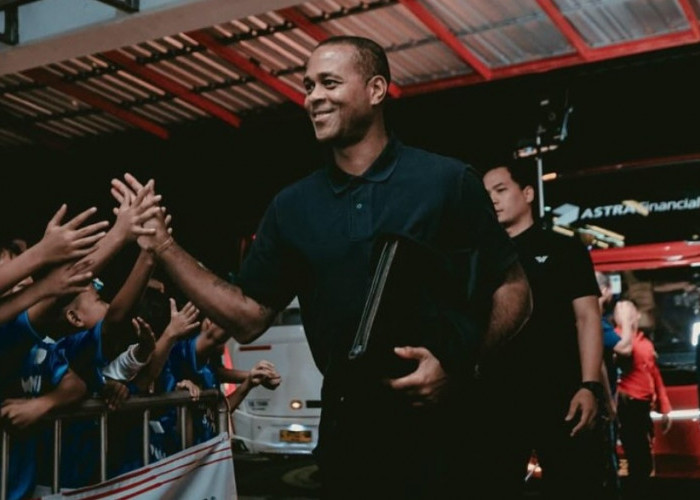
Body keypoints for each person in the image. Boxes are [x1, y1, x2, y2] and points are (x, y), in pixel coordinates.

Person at [111, 35, 532, 499]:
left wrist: (460, 363)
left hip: (452, 435)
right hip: (351, 436)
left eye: (329, 83)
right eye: (308, 86)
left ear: (375, 90)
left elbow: (515, 289)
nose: (313, 97)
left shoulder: (446, 182)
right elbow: (248, 317)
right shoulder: (293, 207)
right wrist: (164, 247)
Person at [481, 163, 607, 500]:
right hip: (498, 397)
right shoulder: (482, 257)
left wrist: (589, 386)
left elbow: (587, 318)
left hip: (560, 394)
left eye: (501, 190)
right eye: (486, 194)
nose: (493, 200)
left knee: (573, 487)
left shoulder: (565, 249)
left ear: (527, 193)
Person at [614, 299, 671, 499]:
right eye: (621, 311)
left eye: (629, 311)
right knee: (637, 456)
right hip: (628, 404)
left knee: (643, 456)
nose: (625, 315)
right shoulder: (617, 339)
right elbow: (623, 353)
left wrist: (665, 407)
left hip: (642, 405)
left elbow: (655, 375)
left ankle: (640, 490)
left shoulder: (645, 343)